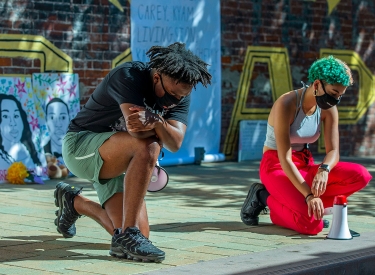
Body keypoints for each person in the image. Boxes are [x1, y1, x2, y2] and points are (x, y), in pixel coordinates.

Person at [55, 42, 212, 262]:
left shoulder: (180, 93)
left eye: (180, 98)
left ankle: (74, 202)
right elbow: (138, 132)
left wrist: (156, 120)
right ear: (157, 77)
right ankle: (129, 232)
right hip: (82, 146)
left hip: (121, 160)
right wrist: (161, 130)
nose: (173, 103)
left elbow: (175, 143)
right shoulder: (128, 76)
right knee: (149, 145)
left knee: (140, 236)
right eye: (171, 95)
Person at [240, 56, 372, 235]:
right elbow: (285, 158)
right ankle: (263, 196)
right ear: (317, 84)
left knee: (360, 175)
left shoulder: (328, 108)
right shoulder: (286, 104)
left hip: (305, 164)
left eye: (340, 95)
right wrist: (309, 195)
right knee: (312, 227)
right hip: (277, 165)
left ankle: (303, 208)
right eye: (333, 93)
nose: (336, 100)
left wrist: (324, 169)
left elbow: (333, 151)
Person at [0, 94, 41, 169]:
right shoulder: (2, 158)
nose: (13, 123)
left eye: (16, 116)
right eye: (5, 116)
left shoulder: (30, 150)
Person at [44, 98, 70, 163]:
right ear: (46, 121)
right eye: (52, 118)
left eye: (63, 117)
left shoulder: (76, 148)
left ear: (69, 119)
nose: (58, 124)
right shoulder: (41, 152)